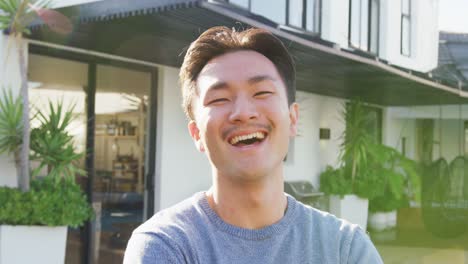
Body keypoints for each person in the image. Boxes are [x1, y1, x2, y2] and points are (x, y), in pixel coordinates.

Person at [123, 26, 383, 264]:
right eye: (220, 99)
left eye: (261, 93)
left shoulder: (345, 248)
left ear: (292, 119)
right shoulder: (165, 246)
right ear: (196, 134)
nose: (243, 112)